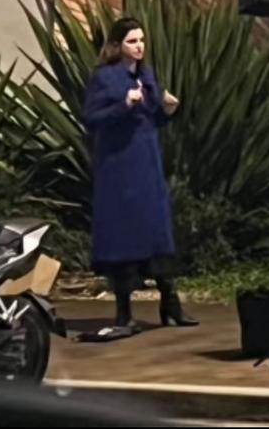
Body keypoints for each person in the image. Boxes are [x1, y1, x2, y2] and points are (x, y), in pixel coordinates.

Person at [83, 17, 198, 331]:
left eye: (142, 40)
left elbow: (152, 119)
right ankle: (124, 313)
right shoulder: (104, 77)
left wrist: (167, 110)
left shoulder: (147, 75)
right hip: (118, 169)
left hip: (146, 164)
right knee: (123, 235)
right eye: (132, 41)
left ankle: (170, 304)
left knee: (155, 231)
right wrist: (123, 104)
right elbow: (92, 119)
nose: (139, 46)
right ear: (118, 44)